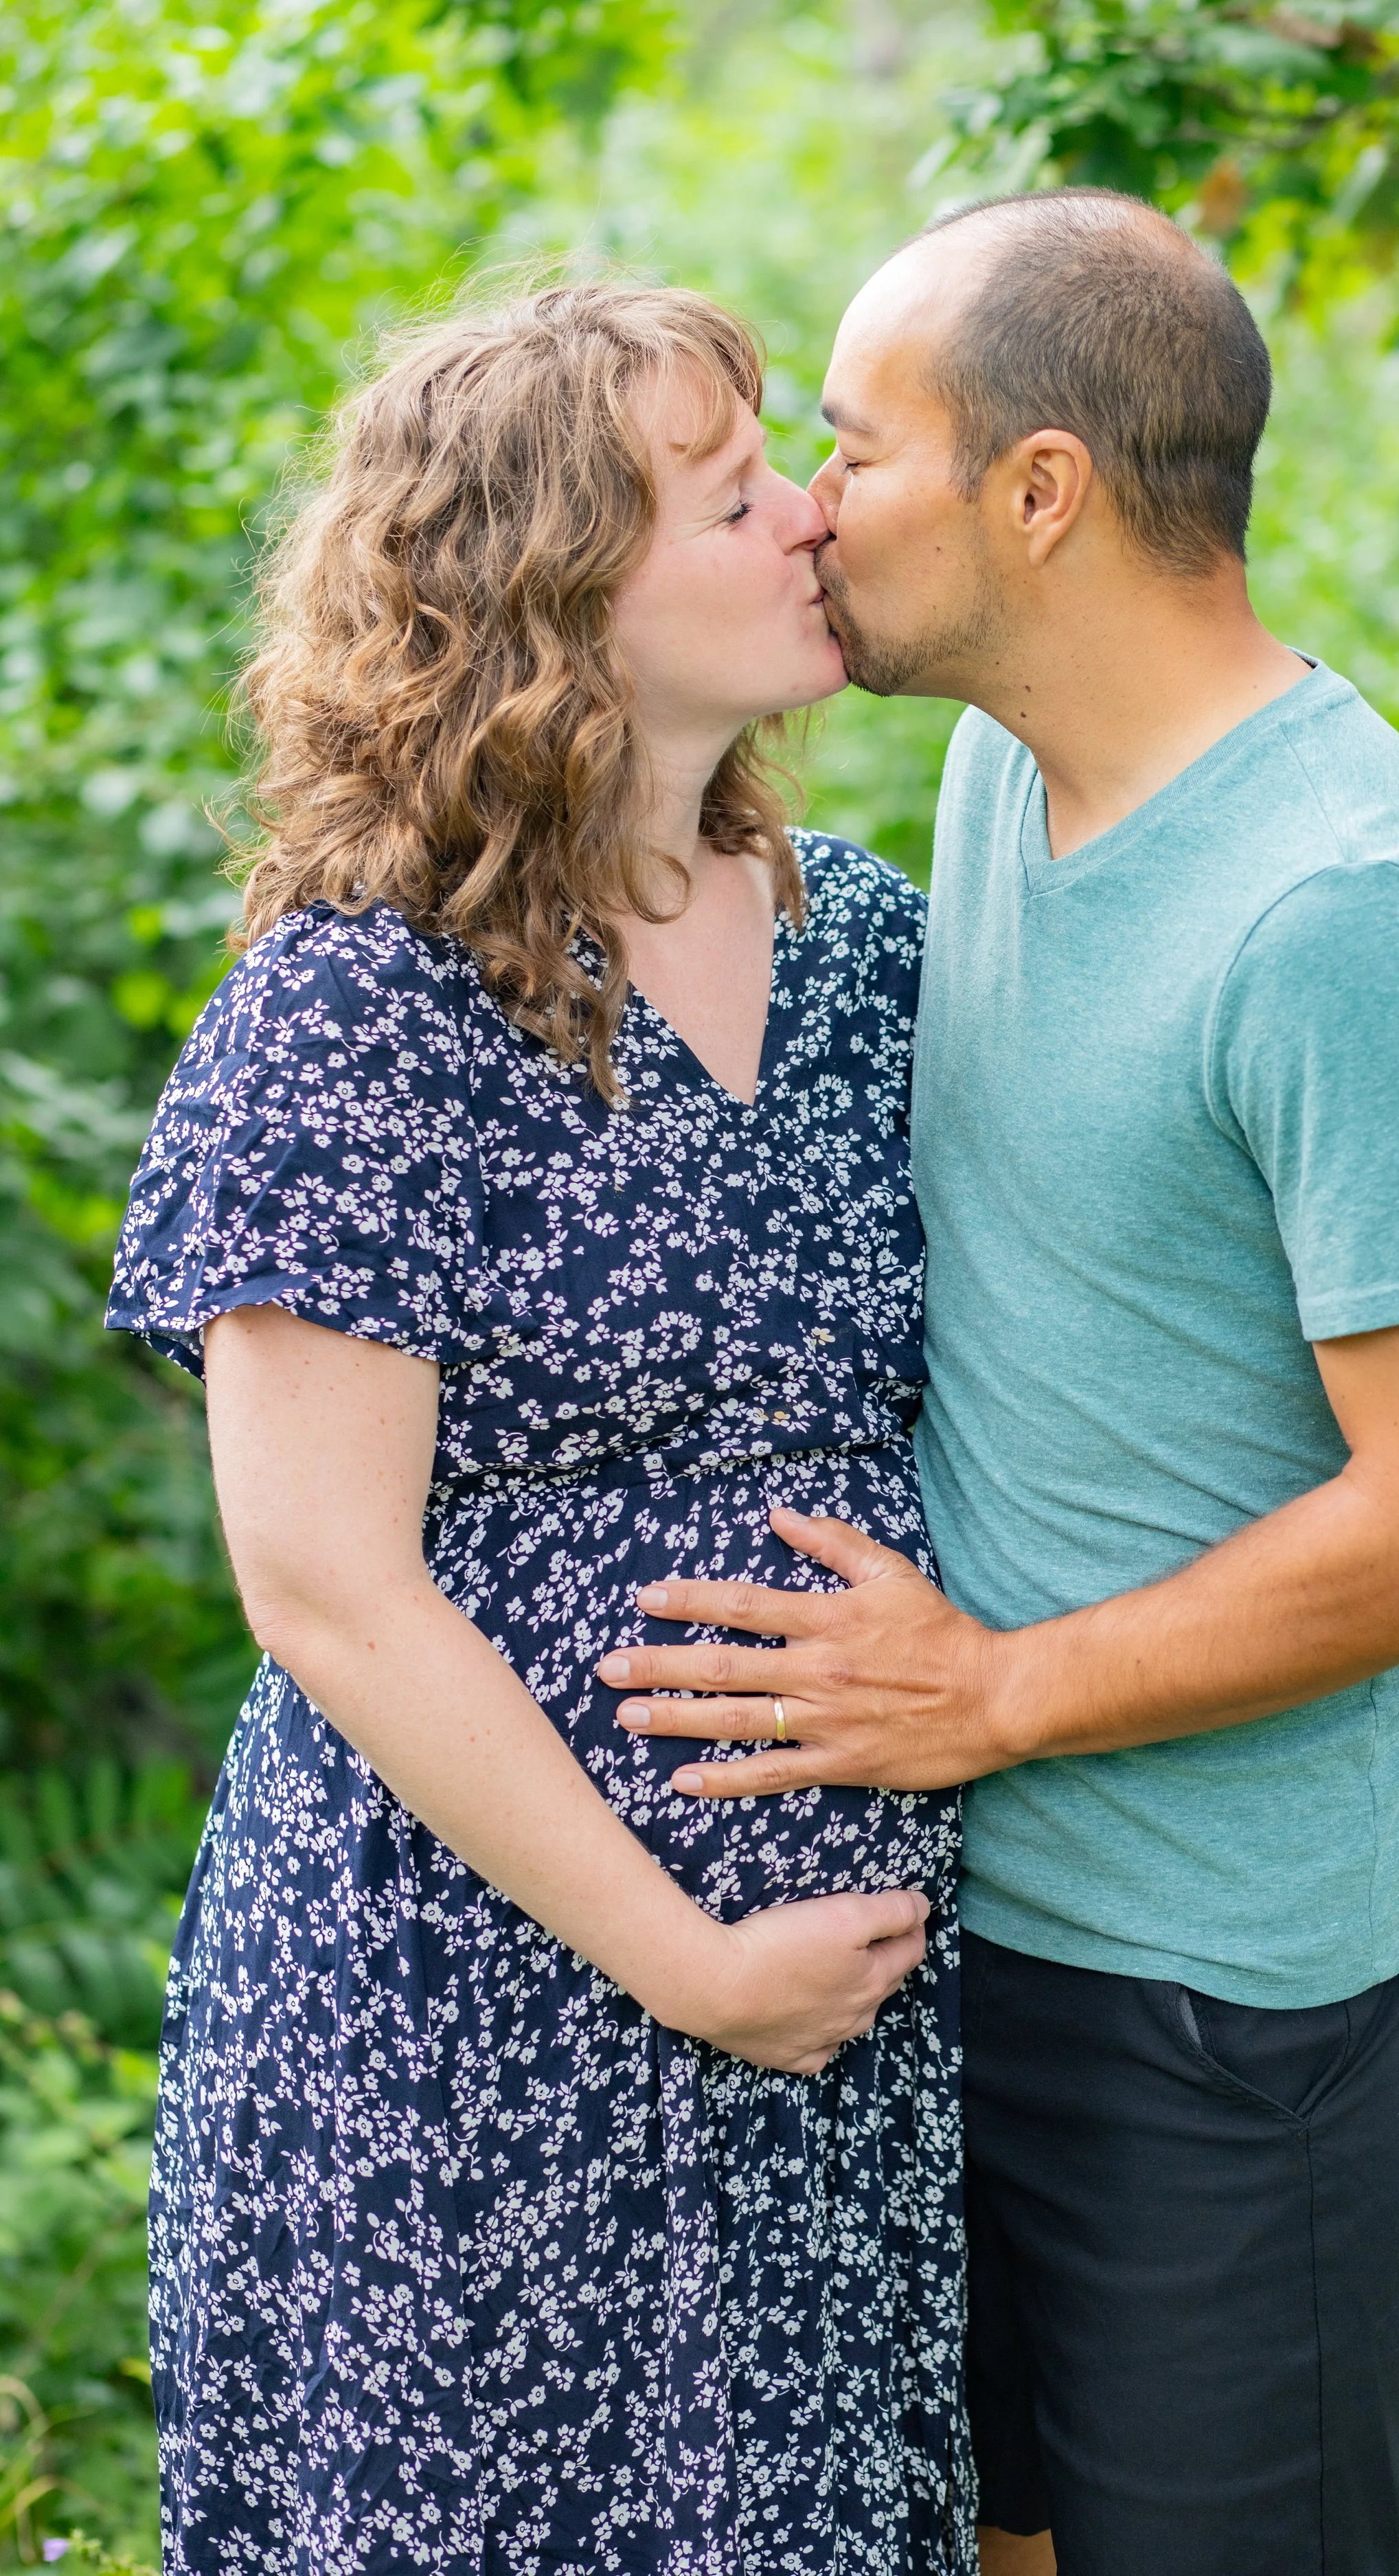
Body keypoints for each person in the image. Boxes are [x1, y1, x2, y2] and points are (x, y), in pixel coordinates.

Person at [596, 193, 1399, 2576]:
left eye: (856, 445)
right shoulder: (999, 781)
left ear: (1038, 493)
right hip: (963, 1921)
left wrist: (996, 1686)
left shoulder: (1341, 915)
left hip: (1223, 1991)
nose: (815, 502)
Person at [107, 282, 973, 2576]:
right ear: (551, 595)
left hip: (832, 2045)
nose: (810, 518)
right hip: (467, 2017)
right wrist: (687, 1958)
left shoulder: (874, 946)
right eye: (734, 493)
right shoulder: (357, 1003)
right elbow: (323, 1580)